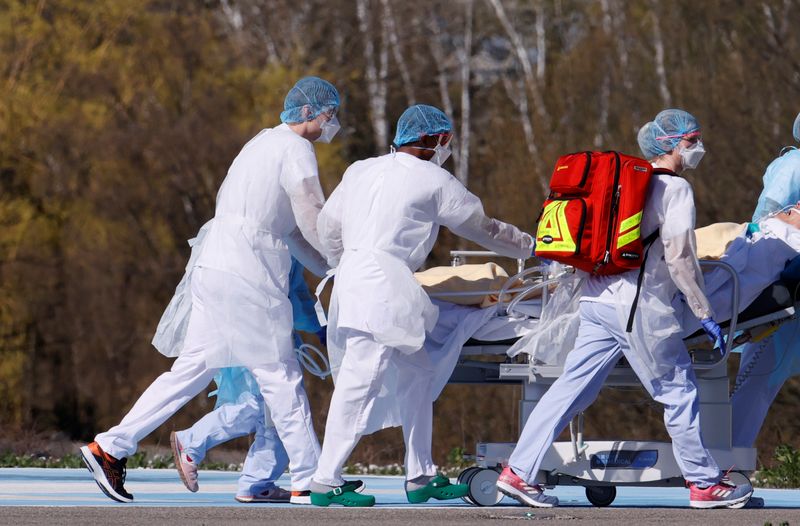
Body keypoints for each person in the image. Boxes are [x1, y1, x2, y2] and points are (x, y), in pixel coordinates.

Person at [79, 77, 340, 504]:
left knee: (190, 371)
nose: (333, 122)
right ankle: (309, 479)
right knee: (281, 375)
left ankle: (108, 447)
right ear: (309, 113)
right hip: (248, 275)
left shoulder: (259, 144)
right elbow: (311, 215)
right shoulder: (296, 149)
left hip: (214, 268)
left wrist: (333, 268)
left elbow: (291, 232)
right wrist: (343, 254)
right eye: (330, 112)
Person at [496, 109, 753, 509]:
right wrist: (703, 311)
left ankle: (518, 471)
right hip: (640, 309)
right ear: (670, 144)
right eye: (691, 140)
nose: (698, 148)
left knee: (570, 388)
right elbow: (680, 258)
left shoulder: (624, 185)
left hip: (597, 300)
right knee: (678, 390)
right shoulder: (676, 190)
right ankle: (703, 483)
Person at [309, 104, 534, 507]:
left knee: (417, 374)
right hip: (384, 284)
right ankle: (325, 481)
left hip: (355, 278)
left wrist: (347, 260)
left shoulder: (360, 169)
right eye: (445, 139)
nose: (446, 146)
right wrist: (532, 246)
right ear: (433, 140)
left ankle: (421, 475)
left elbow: (328, 226)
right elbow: (483, 228)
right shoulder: (434, 180)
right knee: (362, 380)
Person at [171, 258, 342, 503]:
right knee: (266, 408)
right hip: (259, 334)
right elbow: (294, 290)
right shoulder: (279, 240)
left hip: (253, 329)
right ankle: (192, 441)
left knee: (270, 415)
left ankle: (256, 482)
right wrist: (317, 327)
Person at [731, 112, 800, 450]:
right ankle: (728, 458)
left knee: (761, 380)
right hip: (784, 290)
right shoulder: (793, 166)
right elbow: (764, 223)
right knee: (759, 379)